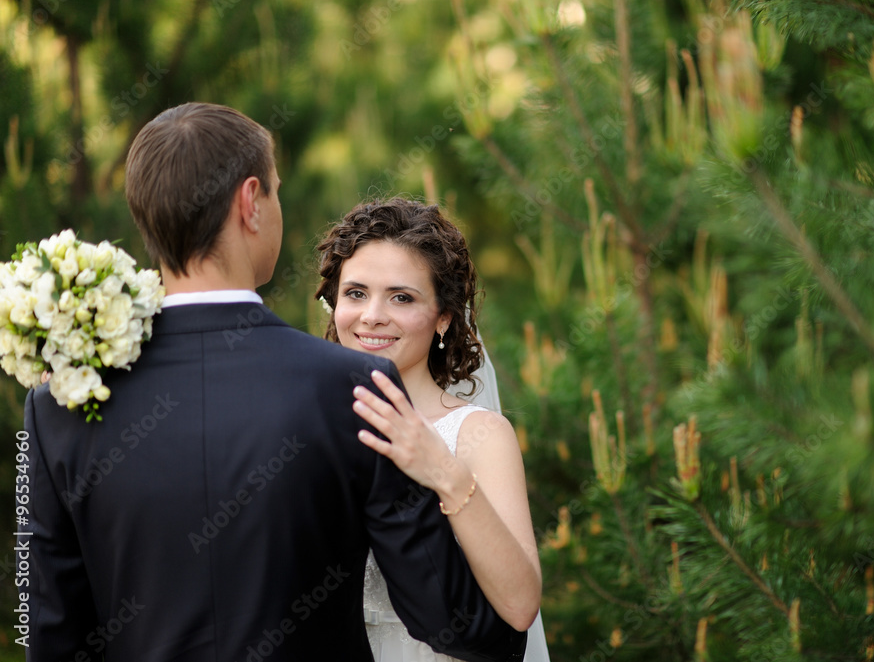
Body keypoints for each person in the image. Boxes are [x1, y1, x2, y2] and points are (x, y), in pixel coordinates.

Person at [21, 103, 526, 662]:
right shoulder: (357, 388)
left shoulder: (57, 401)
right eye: (277, 193)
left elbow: (50, 630)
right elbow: (467, 627)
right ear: (250, 203)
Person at [315, 199, 550, 661]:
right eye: (356, 293)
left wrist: (441, 469)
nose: (372, 315)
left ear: (443, 317)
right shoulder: (306, 423)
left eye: (401, 297)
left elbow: (521, 607)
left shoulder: (480, 434)